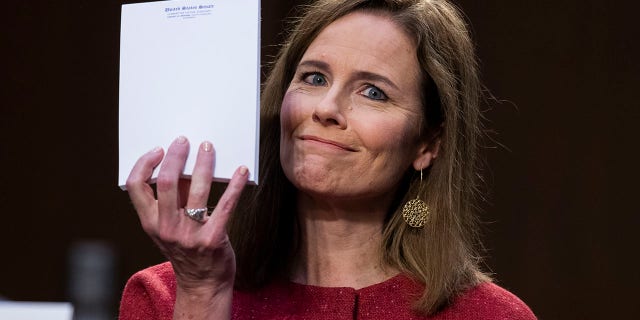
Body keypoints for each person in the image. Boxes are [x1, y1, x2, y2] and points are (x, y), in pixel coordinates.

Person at [119, 0, 536, 319]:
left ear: (427, 144)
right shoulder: (166, 297)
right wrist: (202, 294)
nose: (325, 108)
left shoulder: (490, 314)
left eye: (373, 92)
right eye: (314, 78)